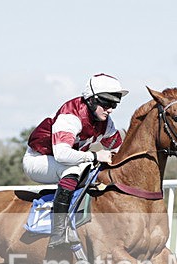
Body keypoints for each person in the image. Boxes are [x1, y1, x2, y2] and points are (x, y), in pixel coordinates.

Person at [23, 73, 129, 248]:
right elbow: (62, 155)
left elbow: (118, 148)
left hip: (64, 159)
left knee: (95, 171)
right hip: (39, 160)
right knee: (72, 169)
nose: (110, 109)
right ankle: (58, 233)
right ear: (92, 100)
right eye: (107, 103)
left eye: (114, 104)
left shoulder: (105, 122)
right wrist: (95, 156)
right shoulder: (70, 117)